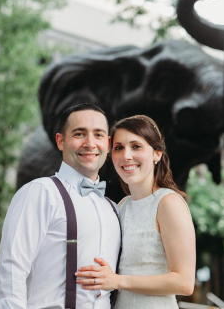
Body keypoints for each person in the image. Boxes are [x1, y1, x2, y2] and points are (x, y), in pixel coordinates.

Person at [0, 103, 121, 309]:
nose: (90, 143)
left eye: (98, 135)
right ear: (61, 141)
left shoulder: (113, 209)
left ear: (107, 144)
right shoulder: (40, 192)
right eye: (79, 134)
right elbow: (12, 270)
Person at [75, 115, 196, 308]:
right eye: (119, 148)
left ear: (157, 154)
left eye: (136, 146)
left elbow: (184, 282)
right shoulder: (122, 205)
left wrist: (117, 281)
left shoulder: (168, 203)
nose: (126, 156)